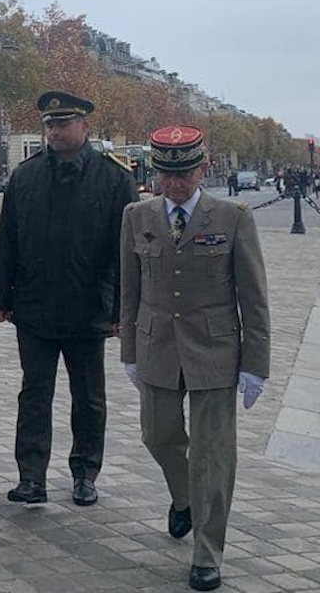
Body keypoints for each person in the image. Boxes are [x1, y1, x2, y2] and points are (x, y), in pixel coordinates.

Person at [119, 126, 270, 592]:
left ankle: (207, 553)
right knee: (157, 435)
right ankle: (184, 498)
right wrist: (129, 351)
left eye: (183, 174)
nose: (174, 183)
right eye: (166, 174)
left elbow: (253, 295)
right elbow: (130, 290)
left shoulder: (231, 217)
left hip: (215, 350)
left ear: (202, 169)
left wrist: (255, 364)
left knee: (212, 455)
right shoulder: (136, 216)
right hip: (156, 345)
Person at [0, 91, 138, 506]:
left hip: (88, 307)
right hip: (34, 306)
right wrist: (0, 295)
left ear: (85, 126)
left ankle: (85, 473)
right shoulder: (26, 175)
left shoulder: (114, 177)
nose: (54, 131)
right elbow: (8, 239)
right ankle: (31, 476)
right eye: (49, 125)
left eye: (63, 123)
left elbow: (128, 252)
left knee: (88, 398)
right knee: (34, 394)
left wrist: (124, 308)